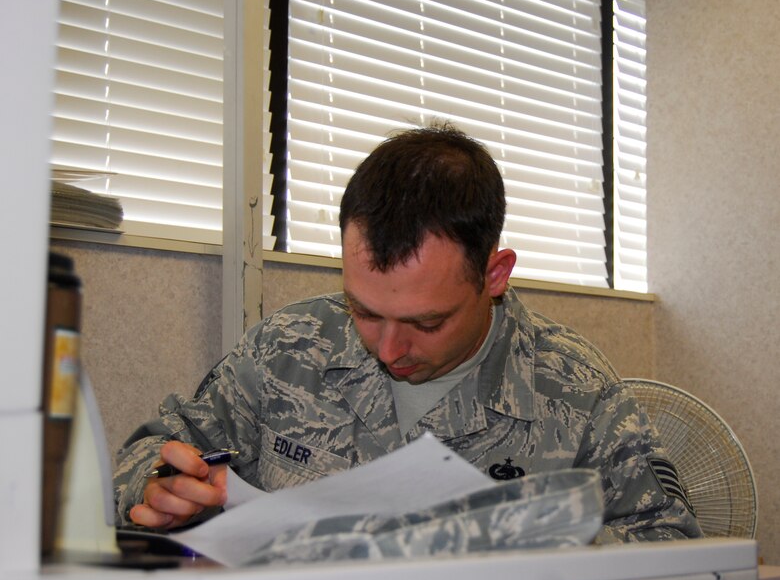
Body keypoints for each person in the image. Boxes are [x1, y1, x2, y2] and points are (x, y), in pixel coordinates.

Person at [114, 122, 702, 544]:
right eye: (365, 311)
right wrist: (158, 488)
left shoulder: (578, 392)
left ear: (494, 275)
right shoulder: (286, 348)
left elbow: (672, 548)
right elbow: (150, 452)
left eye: (427, 323)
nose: (389, 350)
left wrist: (540, 553)